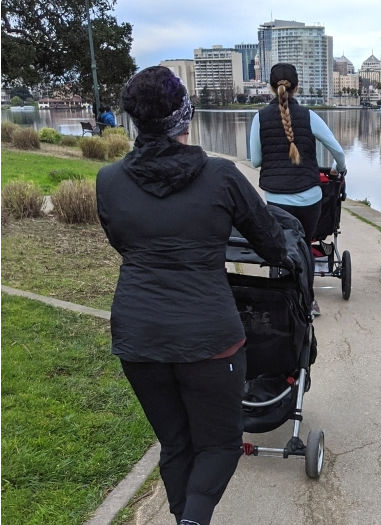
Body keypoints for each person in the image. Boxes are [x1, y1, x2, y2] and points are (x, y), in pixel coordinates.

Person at [96, 66, 289, 525]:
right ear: (186, 118)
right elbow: (272, 244)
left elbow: (122, 241)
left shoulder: (108, 181)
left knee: (177, 443)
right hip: (208, 336)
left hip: (138, 336)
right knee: (220, 444)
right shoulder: (221, 177)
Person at [249, 62, 346, 317]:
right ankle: (309, 300)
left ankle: (278, 299)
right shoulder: (309, 116)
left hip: (276, 199)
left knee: (279, 247)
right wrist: (338, 169)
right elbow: (337, 150)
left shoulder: (259, 118)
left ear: (270, 87)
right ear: (297, 87)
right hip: (309, 199)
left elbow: (255, 161)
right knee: (304, 245)